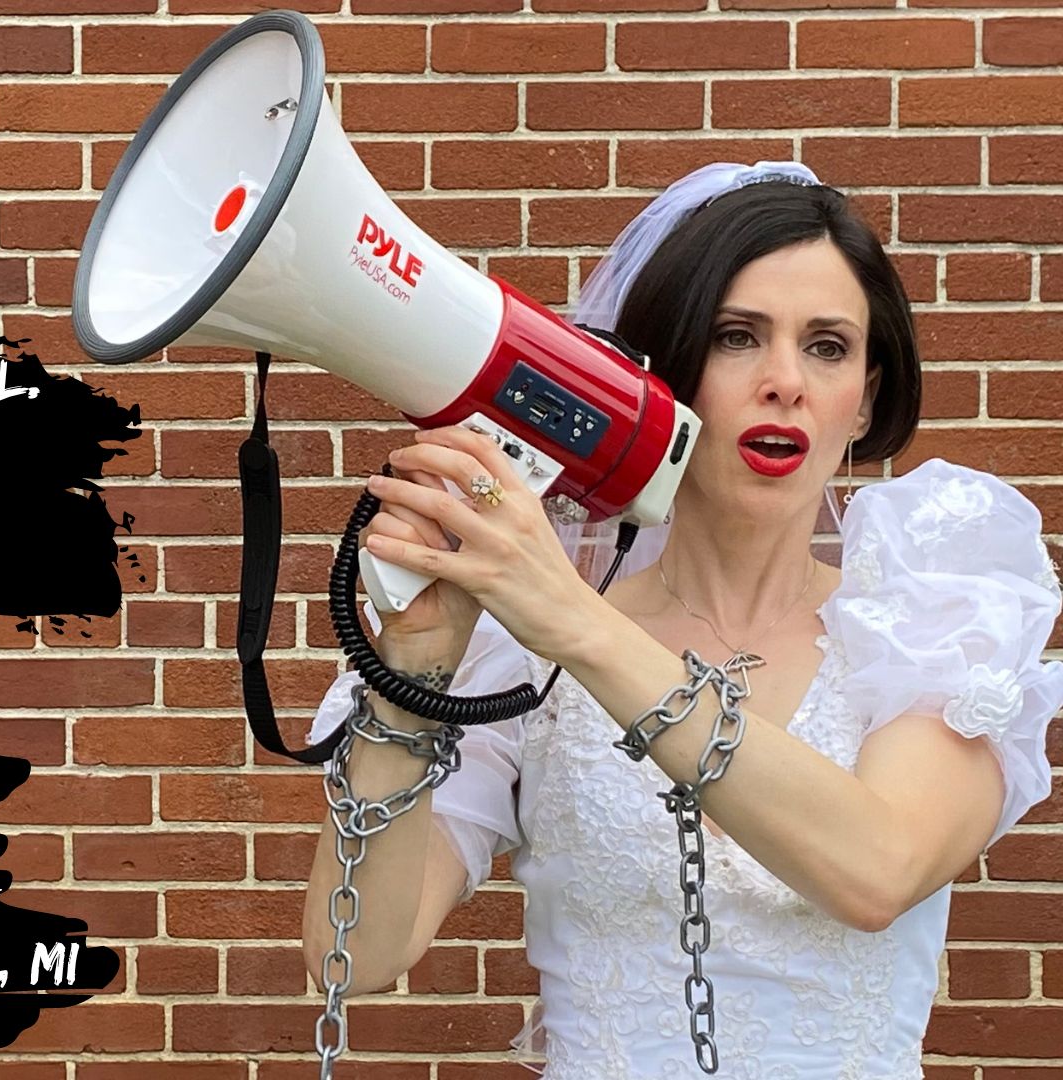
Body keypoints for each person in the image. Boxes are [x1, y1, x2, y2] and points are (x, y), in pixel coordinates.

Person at [300, 160, 1063, 1079]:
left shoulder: (931, 610)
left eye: (827, 346)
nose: (784, 380)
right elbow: (359, 956)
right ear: (662, 380)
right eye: (737, 337)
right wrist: (414, 671)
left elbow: (881, 869)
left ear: (865, 397)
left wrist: (575, 623)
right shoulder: (521, 649)